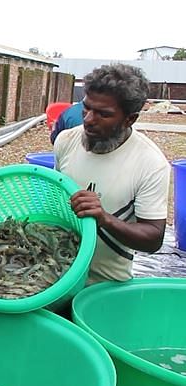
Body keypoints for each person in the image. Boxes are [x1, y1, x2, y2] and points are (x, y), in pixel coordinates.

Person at [54, 63, 169, 285]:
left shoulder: (151, 164)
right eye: (86, 108)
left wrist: (105, 219)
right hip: (57, 274)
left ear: (130, 119)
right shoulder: (66, 141)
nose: (88, 119)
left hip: (106, 282)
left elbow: (153, 237)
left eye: (103, 114)